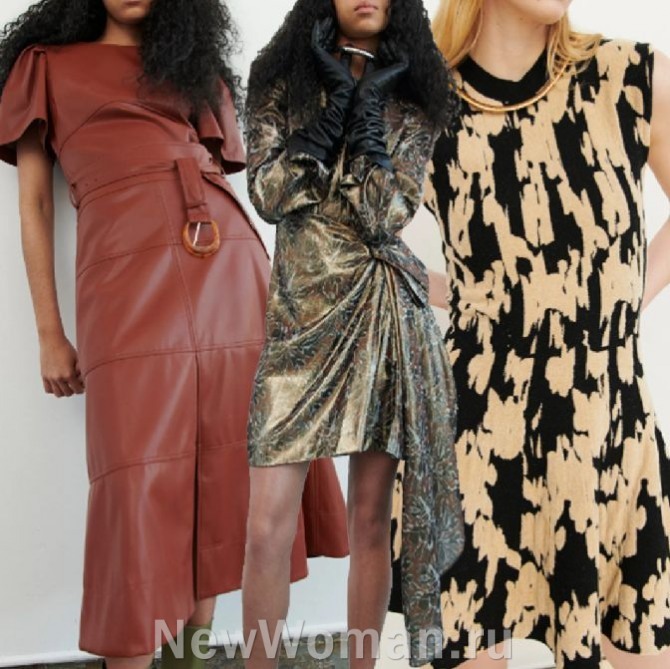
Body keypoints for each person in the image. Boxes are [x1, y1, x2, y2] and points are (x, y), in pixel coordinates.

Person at [0, 1, 349, 668]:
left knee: (221, 476)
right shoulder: (45, 66)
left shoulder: (190, 66)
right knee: (134, 484)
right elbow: (36, 201)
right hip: (122, 279)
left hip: (226, 269)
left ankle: (190, 660)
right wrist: (49, 331)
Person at [389, 0, 670, 667]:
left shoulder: (629, 76)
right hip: (473, 439)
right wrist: (454, 294)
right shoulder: (420, 108)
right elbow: (346, 239)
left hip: (605, 432)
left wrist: (627, 296)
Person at [242, 0, 465, 667]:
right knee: (265, 528)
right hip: (298, 325)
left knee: (370, 519)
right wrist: (332, 110)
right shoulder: (278, 82)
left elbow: (385, 214)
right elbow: (270, 196)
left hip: (382, 314)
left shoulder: (416, 98)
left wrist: (368, 112)